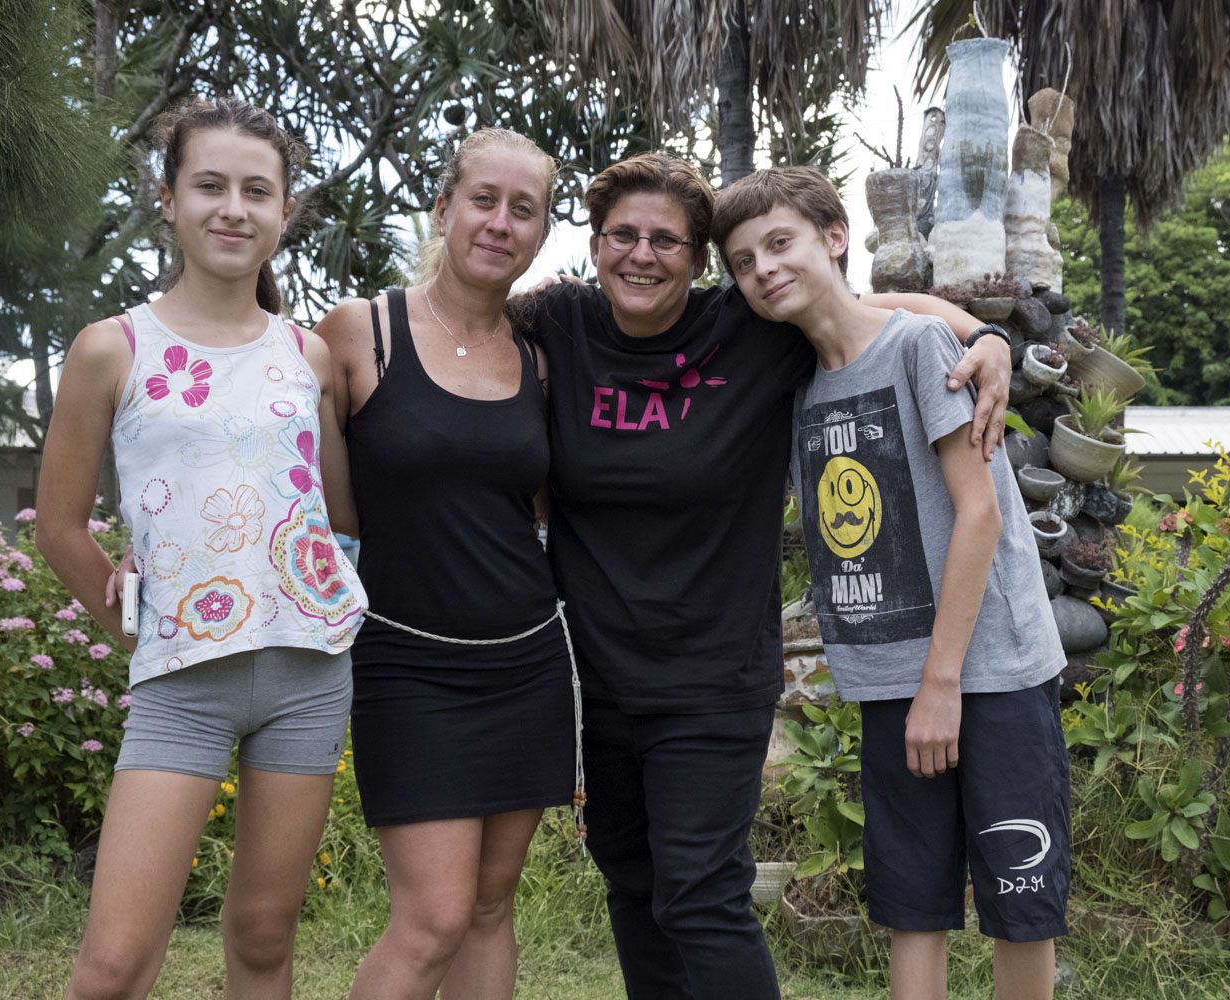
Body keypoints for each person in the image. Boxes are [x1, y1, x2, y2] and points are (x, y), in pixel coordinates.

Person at [525, 152, 1012, 1000]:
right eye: (623, 236)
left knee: (701, 892)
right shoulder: (559, 324)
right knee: (632, 885)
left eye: (667, 241)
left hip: (713, 676)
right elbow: (451, 313)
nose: (642, 254)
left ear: (696, 257)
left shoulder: (746, 331)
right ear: (596, 244)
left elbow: (879, 311)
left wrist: (987, 338)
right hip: (595, 681)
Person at [712, 166, 1070, 1000]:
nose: (763, 268)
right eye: (741, 260)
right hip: (888, 683)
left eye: (779, 242)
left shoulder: (917, 349)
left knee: (1021, 897)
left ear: (834, 237)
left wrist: (941, 684)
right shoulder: (793, 383)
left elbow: (976, 516)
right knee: (913, 905)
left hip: (987, 670)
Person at [36, 96, 365, 1000]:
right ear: (168, 198)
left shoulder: (310, 356)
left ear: (285, 212)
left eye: (258, 191)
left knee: (263, 938)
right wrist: (135, 627)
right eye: (209, 185)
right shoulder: (112, 349)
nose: (234, 208)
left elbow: (340, 516)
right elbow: (60, 527)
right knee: (112, 965)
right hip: (181, 682)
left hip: (309, 674)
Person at [313, 128, 576, 1000]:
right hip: (406, 661)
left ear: (541, 233)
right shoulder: (361, 333)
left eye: (524, 209)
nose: (500, 223)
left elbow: (533, 507)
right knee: (432, 916)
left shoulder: (541, 362)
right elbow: (330, 505)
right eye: (484, 200)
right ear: (444, 206)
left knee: (492, 907)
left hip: (528, 662)